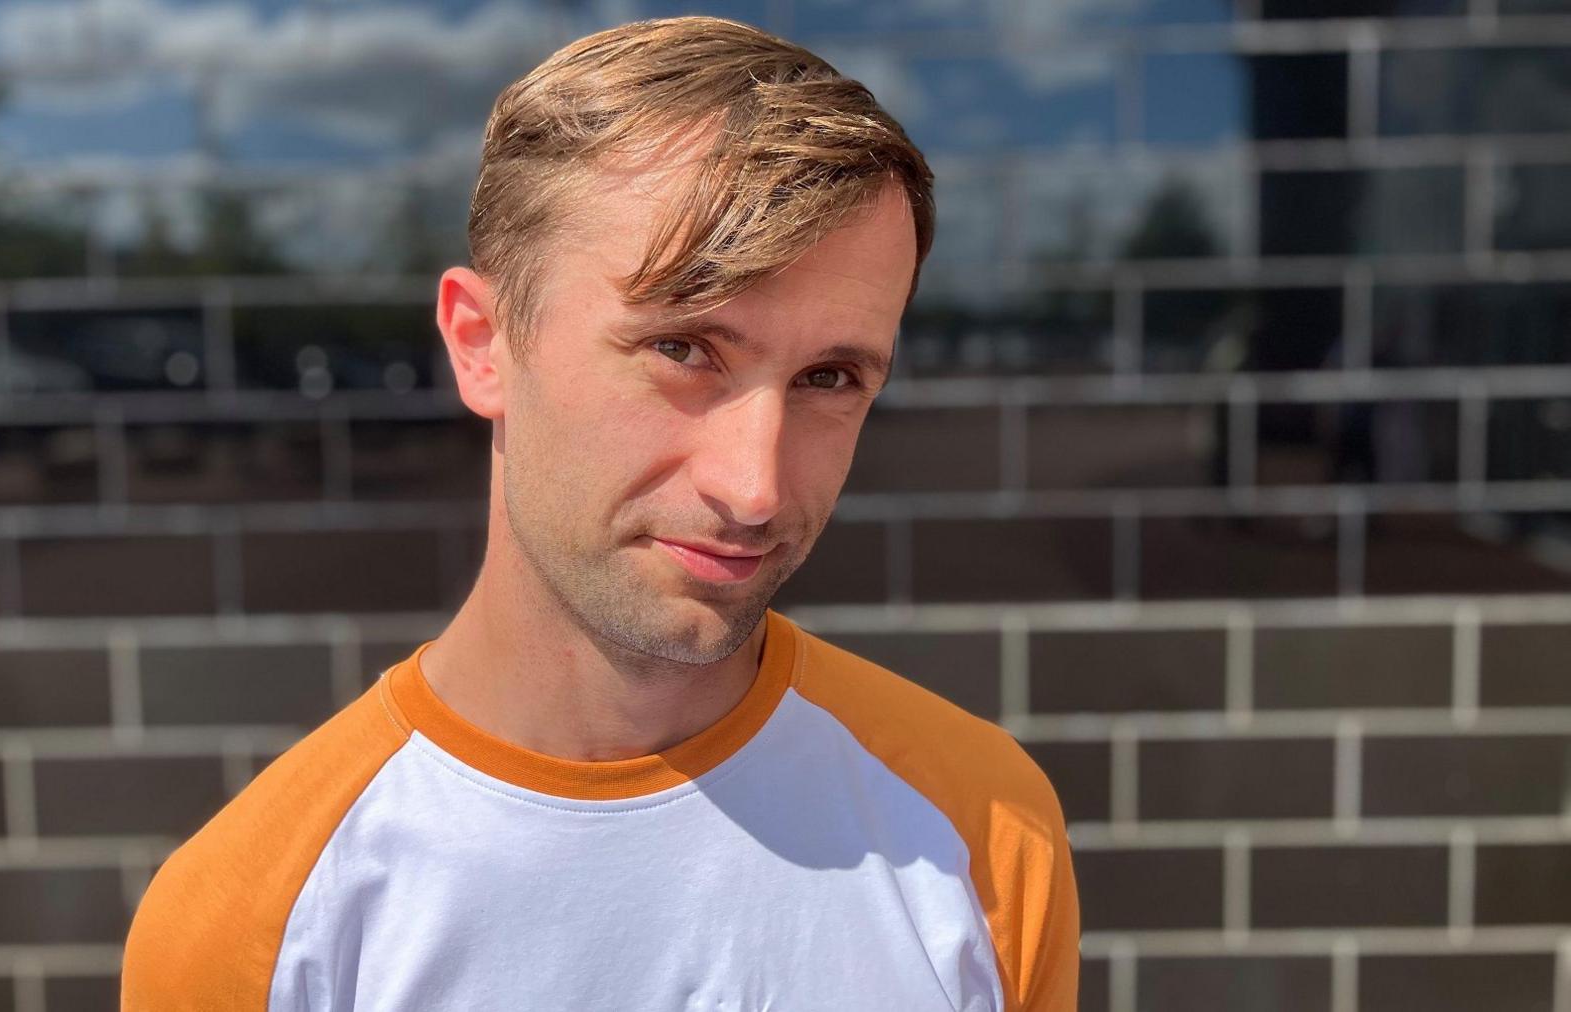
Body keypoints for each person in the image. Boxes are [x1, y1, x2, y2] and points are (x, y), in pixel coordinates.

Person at [121, 16, 1079, 1010]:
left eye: (829, 376)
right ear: (483, 344)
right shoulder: (256, 926)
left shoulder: (981, 830)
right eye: (684, 349)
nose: (754, 488)